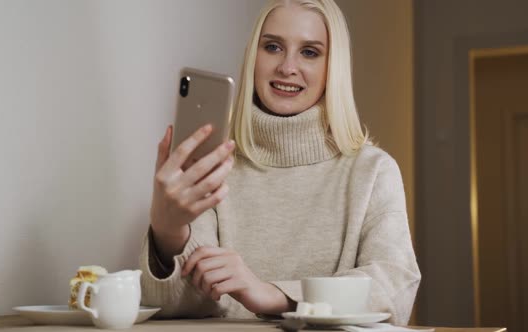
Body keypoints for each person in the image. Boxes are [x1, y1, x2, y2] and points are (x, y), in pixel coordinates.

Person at [139, 0, 421, 325]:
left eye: (310, 52)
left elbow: (394, 288)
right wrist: (167, 230)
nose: (287, 67)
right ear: (253, 57)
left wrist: (277, 295)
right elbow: (175, 306)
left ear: (334, 67)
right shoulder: (214, 164)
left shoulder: (373, 171)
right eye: (272, 47)